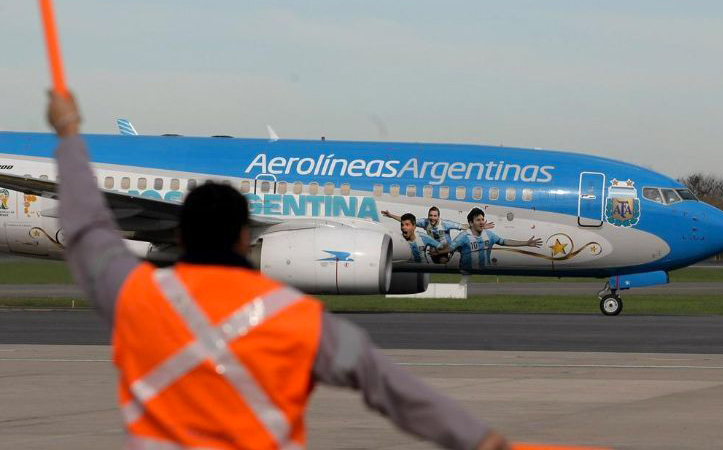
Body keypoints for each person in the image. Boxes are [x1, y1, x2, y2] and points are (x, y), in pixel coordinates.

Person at [47, 92, 509, 450]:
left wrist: (67, 137)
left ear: (182, 234)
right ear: (245, 238)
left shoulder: (131, 298)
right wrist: (478, 439)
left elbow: (89, 230)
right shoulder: (295, 320)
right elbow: (392, 390)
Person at [382, 206, 493, 263]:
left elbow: (463, 226)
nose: (432, 218)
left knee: (442, 260)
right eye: (431, 215)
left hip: (446, 250)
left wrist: (480, 226)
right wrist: (391, 215)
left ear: (438, 217)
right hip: (435, 249)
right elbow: (406, 220)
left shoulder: (445, 224)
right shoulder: (425, 222)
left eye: (435, 216)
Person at [448, 208, 543, 271]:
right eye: (478, 220)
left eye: (482, 220)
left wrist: (526, 243)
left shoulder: (489, 235)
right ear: (471, 223)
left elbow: (504, 242)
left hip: (484, 273)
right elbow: (449, 249)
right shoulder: (463, 237)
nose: (481, 222)